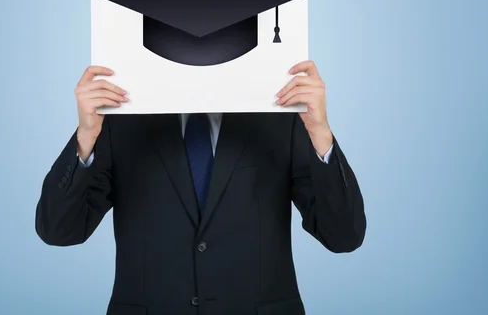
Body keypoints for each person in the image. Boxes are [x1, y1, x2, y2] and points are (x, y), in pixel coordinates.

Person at [35, 60, 366, 315]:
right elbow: (60, 231)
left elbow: (343, 235)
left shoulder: (281, 112)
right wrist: (86, 135)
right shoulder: (118, 116)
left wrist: (320, 131)